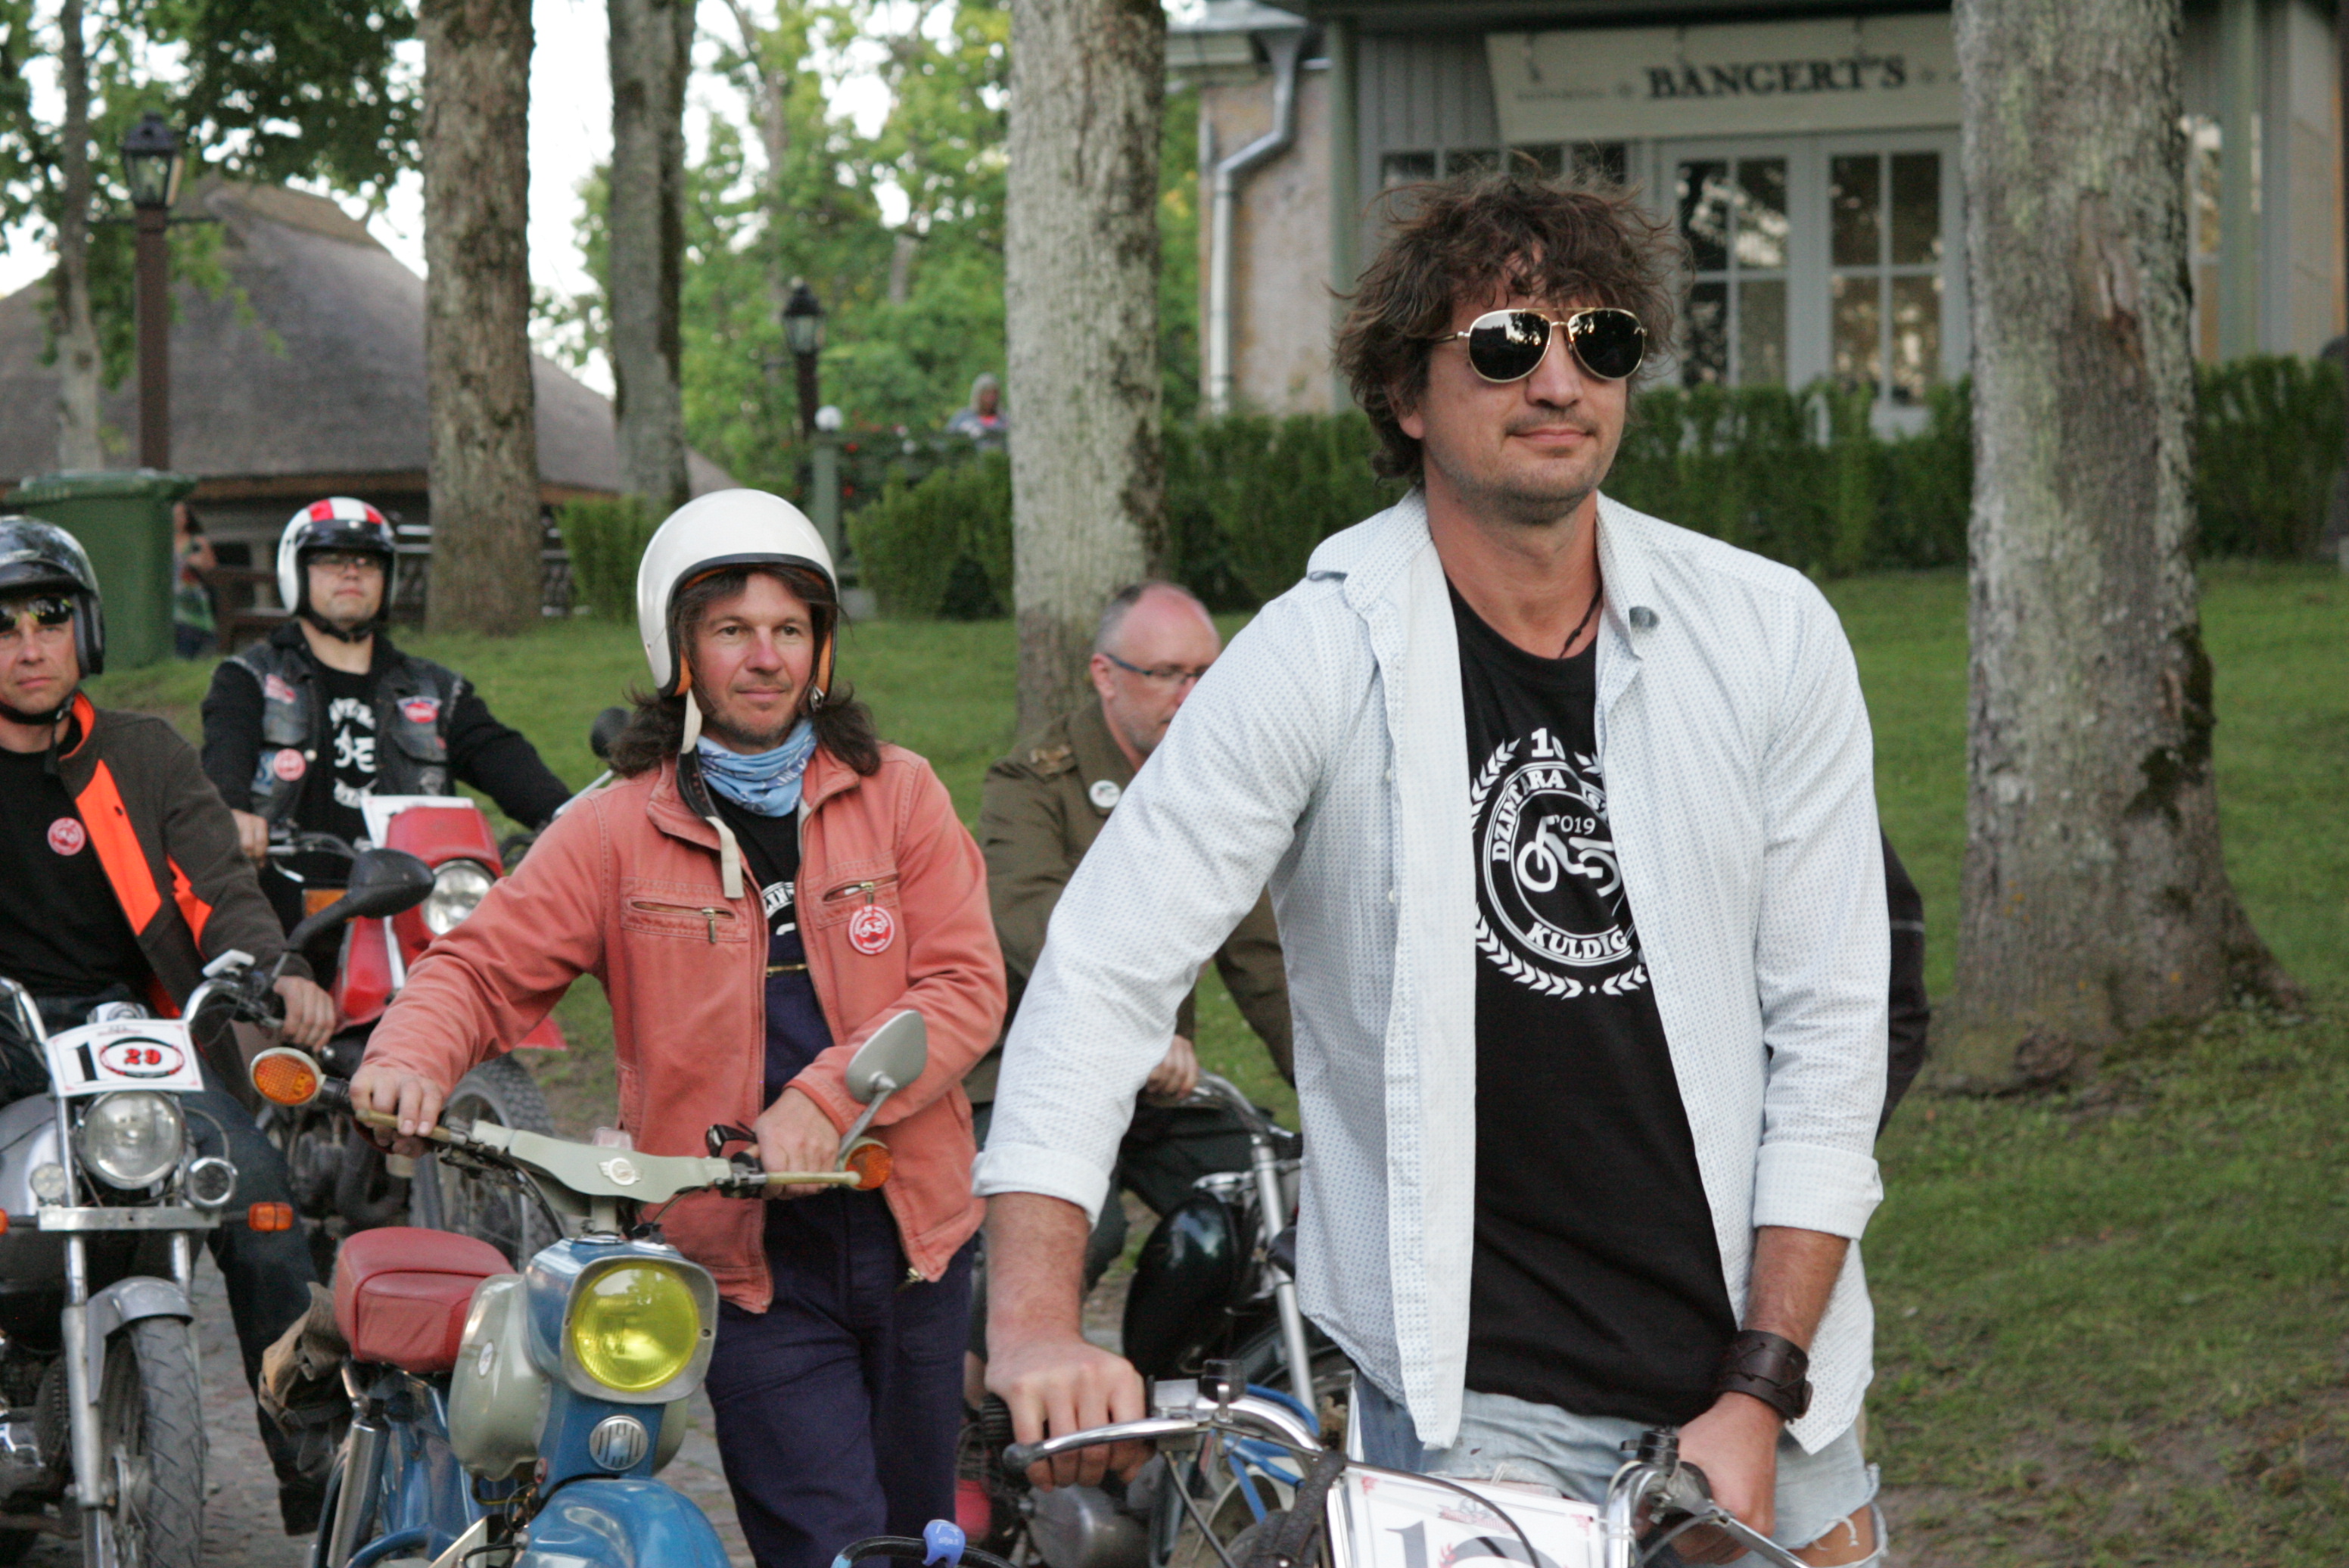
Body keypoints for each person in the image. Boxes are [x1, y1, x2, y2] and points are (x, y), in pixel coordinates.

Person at [976, 170, 1890, 1568]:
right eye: (1508, 342)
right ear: (1406, 393)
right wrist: (1037, 1322)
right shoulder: (1314, 655)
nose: (1559, 380)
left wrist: (1759, 1390)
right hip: (1481, 1406)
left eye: (1600, 340)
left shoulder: (1767, 634)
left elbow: (1829, 1036)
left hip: (1765, 1386)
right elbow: (1099, 978)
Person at [349, 490, 1006, 1568]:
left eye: (790, 628)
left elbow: (963, 986)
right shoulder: (613, 828)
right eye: (733, 629)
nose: (767, 657)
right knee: (832, 1546)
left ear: (821, 647)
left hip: (915, 1242)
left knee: (913, 1538)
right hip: (743, 1262)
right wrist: (409, 1053)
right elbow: (478, 965)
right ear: (680, 650)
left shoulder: (902, 796)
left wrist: (824, 1101)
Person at [0, 516, 340, 1534]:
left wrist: (275, 971)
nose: (29, 646)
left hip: (130, 1039)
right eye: (3, 626)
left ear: (87, 630)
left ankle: (314, 1457)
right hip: (6, 1038)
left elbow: (220, 889)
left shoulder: (144, 755)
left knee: (262, 1196)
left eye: (49, 619)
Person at [974, 580, 1291, 1286]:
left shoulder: (1214, 786)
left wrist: (1351, 1100)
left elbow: (1267, 963)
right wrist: (1134, 1027)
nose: (1192, 695)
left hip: (1154, 1087)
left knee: (1276, 1202)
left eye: (1206, 674)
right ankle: (982, 1358)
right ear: (1105, 676)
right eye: (1168, 674)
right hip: (1028, 1074)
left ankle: (1205, 1358)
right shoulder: (1032, 785)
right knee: (1076, 1236)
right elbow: (1030, 919)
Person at [199, 497, 572, 928]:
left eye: (368, 561)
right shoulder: (249, 678)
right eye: (331, 559)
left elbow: (498, 753)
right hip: (283, 917)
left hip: (416, 915)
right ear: (295, 571)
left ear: (387, 578)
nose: (351, 572)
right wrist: (233, 812)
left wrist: (565, 814)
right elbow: (225, 754)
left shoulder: (435, 690)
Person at [172, 501, 218, 659]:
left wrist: (196, 562)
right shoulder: (163, 542)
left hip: (193, 597)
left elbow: (212, 569)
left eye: (180, 515)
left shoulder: (198, 542)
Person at [945, 372, 1006, 449]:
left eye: (994, 394)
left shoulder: (1004, 420)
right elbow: (947, 441)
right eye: (986, 394)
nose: (991, 398)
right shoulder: (963, 417)